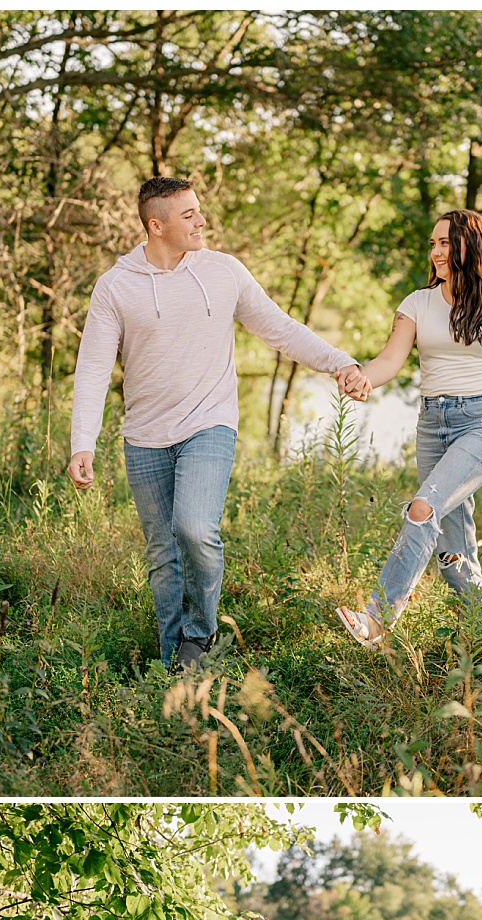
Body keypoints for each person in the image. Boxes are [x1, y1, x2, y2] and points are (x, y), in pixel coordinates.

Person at [68, 176, 366, 672]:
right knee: (163, 553)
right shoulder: (117, 286)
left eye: (199, 210)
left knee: (195, 528)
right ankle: (175, 666)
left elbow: (280, 327)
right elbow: (94, 367)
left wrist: (340, 362)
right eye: (189, 215)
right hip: (143, 435)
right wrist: (84, 443)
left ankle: (200, 635)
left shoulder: (223, 272)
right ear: (155, 225)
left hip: (208, 423)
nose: (202, 221)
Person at [335, 209, 482, 646]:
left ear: (471, 245)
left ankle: (376, 620)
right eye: (433, 244)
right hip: (432, 426)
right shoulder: (417, 303)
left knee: (422, 508)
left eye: (445, 243)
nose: (436, 251)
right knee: (452, 551)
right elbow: (391, 358)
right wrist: (365, 375)